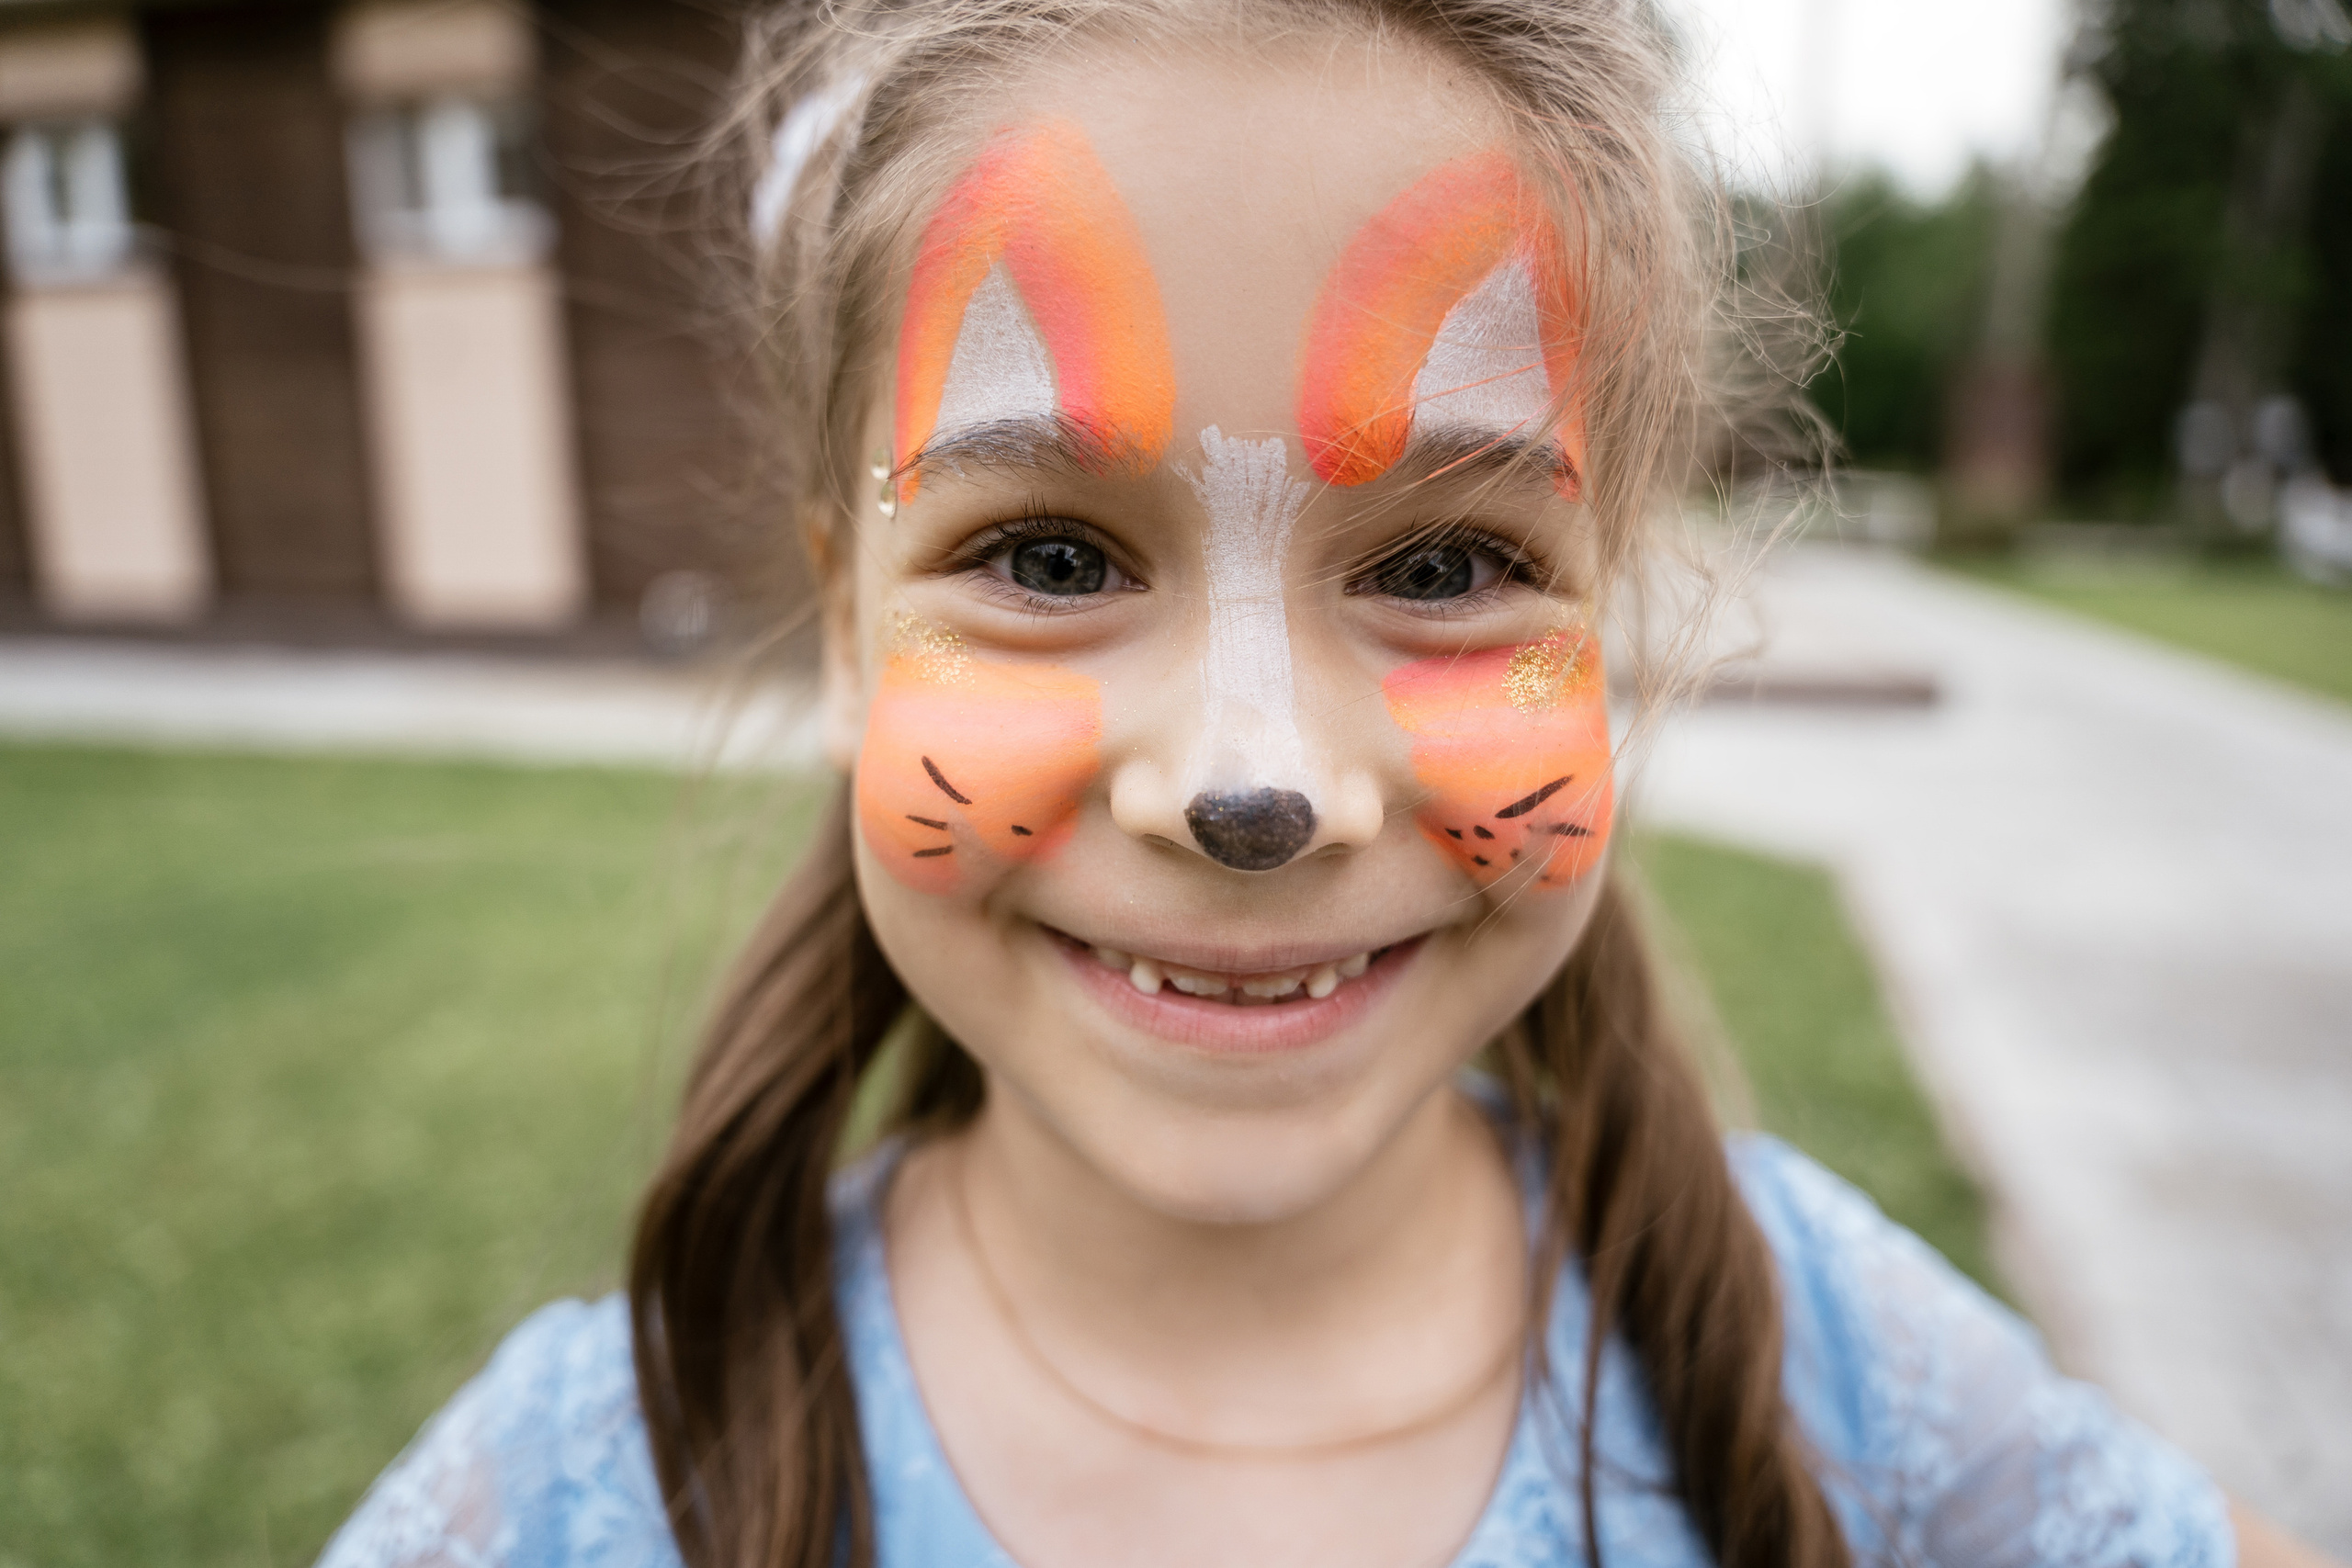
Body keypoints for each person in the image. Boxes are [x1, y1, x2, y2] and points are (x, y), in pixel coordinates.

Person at [316, 2, 2335, 1565]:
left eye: (1444, 567)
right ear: (849, 629)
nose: (1249, 788)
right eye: (1050, 559)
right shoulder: (586, 1489)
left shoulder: (1833, 1368)